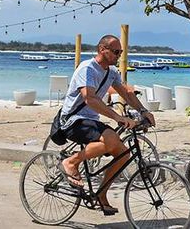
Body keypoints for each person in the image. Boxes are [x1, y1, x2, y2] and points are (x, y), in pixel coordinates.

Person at [58, 34, 156, 215]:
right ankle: (71, 162)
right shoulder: (87, 68)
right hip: (72, 120)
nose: (118, 55)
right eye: (115, 51)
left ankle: (101, 194)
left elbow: (126, 93)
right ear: (102, 50)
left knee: (124, 155)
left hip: (90, 121)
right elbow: (90, 99)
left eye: (121, 52)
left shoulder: (111, 72)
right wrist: (117, 118)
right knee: (111, 138)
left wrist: (144, 111)